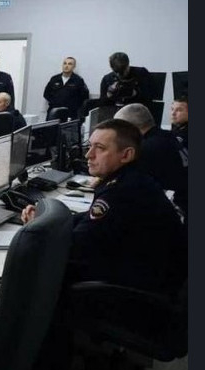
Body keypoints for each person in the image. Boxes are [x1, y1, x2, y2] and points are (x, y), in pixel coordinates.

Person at [21, 119, 186, 294]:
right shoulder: (132, 178)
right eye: (90, 146)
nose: (88, 155)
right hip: (151, 276)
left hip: (138, 292)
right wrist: (47, 219)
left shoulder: (120, 192)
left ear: (126, 155)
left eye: (100, 148)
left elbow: (75, 249)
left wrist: (38, 229)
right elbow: (90, 219)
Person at [114, 103, 188, 219]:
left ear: (130, 128)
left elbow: (128, 183)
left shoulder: (147, 148)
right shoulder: (168, 136)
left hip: (175, 210)